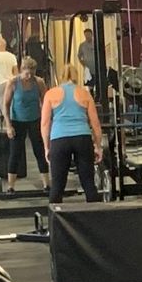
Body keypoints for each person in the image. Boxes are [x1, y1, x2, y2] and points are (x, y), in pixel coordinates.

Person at [42, 70, 103, 203]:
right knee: (88, 183)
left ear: (61, 77)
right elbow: (95, 124)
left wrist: (47, 147)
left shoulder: (50, 94)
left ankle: (55, 222)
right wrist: (98, 147)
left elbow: (45, 124)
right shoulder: (85, 94)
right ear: (76, 77)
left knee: (57, 186)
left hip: (59, 139)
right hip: (82, 138)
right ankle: (98, 221)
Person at [3, 59, 47, 193]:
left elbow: (45, 103)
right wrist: (8, 125)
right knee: (15, 153)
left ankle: (47, 184)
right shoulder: (13, 83)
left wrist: (46, 123)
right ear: (22, 70)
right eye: (27, 73)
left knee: (39, 151)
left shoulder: (39, 82)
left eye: (32, 73)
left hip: (35, 120)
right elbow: (5, 105)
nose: (30, 76)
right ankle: (10, 186)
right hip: (17, 121)